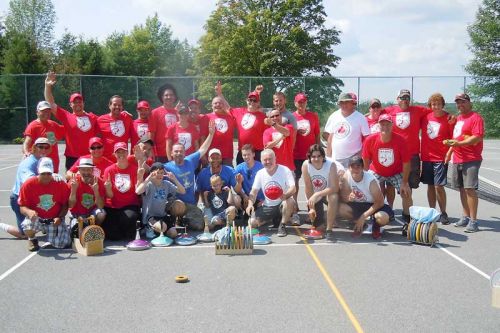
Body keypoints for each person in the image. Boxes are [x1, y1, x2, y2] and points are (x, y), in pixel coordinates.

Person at [362, 114, 412, 234]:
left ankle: (408, 219)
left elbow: (406, 163)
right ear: (378, 125)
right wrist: (364, 180)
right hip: (377, 170)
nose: (385, 126)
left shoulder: (401, 140)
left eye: (387, 124)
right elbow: (366, 160)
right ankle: (371, 218)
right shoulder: (370, 140)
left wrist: (404, 183)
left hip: (395, 171)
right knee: (368, 191)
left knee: (407, 192)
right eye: (382, 124)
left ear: (392, 125)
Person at [164, 120, 216, 231]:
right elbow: (152, 172)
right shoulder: (166, 167)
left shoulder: (190, 161)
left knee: (199, 226)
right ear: (172, 153)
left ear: (185, 152)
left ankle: (185, 220)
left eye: (181, 151)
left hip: (190, 204)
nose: (179, 153)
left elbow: (203, 149)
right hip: (176, 204)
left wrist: (211, 134)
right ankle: (176, 219)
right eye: (176, 151)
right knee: (179, 206)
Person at [444, 93, 484, 233]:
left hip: (471, 158)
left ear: (469, 102)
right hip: (458, 158)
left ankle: (474, 221)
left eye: (463, 102)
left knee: (469, 189)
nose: (460, 105)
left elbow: (476, 138)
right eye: (458, 102)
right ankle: (465, 216)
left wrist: (459, 143)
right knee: (461, 189)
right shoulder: (459, 118)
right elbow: (456, 138)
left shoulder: (476, 118)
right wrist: (450, 152)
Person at [44, 71, 100, 170]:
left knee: (89, 183)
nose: (78, 104)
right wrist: (48, 87)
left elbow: (108, 120)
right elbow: (51, 104)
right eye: (75, 102)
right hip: (72, 157)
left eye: (80, 102)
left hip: (89, 157)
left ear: (83, 103)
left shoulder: (92, 117)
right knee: (72, 183)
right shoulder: (66, 116)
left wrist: (122, 114)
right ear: (70, 105)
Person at [0, 138, 53, 239]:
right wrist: (52, 177)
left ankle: (44, 225)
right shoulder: (28, 163)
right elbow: (29, 182)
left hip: (34, 198)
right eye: (40, 146)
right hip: (20, 200)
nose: (43, 149)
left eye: (46, 147)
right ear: (34, 147)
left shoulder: (44, 161)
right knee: (24, 234)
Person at [18, 157, 71, 251]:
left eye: (49, 173)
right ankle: (32, 239)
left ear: (52, 172)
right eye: (43, 173)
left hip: (53, 220)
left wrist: (59, 217)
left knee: (63, 244)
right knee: (27, 225)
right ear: (38, 171)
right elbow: (22, 207)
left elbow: (65, 205)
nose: (46, 176)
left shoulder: (60, 184)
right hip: (38, 219)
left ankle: (63, 231)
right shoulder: (28, 184)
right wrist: (29, 212)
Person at [382, 89, 431, 189]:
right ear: (397, 99)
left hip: (412, 154)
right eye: (402, 97)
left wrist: (450, 116)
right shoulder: (389, 111)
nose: (405, 100)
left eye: (407, 98)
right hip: (395, 154)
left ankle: (408, 205)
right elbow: (374, 114)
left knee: (409, 184)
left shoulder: (418, 110)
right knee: (390, 185)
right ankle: (390, 205)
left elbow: (436, 111)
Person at [338, 156, 394, 239]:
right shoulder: (346, 176)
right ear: (349, 167)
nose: (355, 169)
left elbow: (380, 202)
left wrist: (363, 216)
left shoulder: (370, 180)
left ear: (362, 168)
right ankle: (362, 225)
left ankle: (376, 226)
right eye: (353, 166)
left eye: (358, 166)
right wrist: (348, 197)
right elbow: (343, 196)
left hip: (375, 204)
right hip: (359, 204)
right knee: (340, 208)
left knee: (382, 218)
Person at [420, 93, 454, 224]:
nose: (436, 107)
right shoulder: (425, 117)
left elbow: (453, 138)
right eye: (434, 104)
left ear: (443, 105)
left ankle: (443, 212)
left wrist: (449, 152)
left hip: (440, 157)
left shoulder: (449, 119)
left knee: (438, 186)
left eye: (439, 104)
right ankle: (432, 211)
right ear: (430, 105)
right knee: (430, 185)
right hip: (427, 157)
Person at [246, 149, 296, 237]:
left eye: (270, 159)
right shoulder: (260, 173)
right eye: (265, 160)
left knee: (290, 201)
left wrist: (285, 195)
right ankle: (273, 218)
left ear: (275, 158)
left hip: (282, 203)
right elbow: (253, 192)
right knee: (252, 223)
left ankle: (282, 225)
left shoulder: (285, 170)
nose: (268, 162)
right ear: (261, 161)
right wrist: (250, 204)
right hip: (268, 205)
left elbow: (293, 188)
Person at [136, 162, 186, 239]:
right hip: (151, 217)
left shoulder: (166, 184)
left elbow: (183, 191)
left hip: (162, 215)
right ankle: (149, 228)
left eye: (161, 173)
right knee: (162, 227)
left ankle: (161, 231)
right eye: (157, 173)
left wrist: (174, 179)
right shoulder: (149, 184)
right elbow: (138, 191)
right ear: (152, 173)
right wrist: (148, 178)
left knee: (173, 233)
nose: (159, 175)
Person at [102, 142, 140, 240]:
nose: (121, 155)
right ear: (114, 154)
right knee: (112, 236)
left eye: (123, 152)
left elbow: (138, 190)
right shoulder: (109, 170)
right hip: (112, 206)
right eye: (118, 152)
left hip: (129, 204)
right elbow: (109, 196)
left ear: (127, 153)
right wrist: (108, 188)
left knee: (129, 218)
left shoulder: (134, 169)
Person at [301, 144, 339, 240]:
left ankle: (329, 229)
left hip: (327, 193)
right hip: (313, 195)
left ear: (323, 156)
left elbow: (334, 188)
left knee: (333, 197)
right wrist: (311, 208)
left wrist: (318, 194)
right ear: (309, 157)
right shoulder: (306, 165)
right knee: (319, 228)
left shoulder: (331, 165)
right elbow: (308, 188)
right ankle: (324, 220)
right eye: (313, 156)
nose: (316, 159)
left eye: (319, 156)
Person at [324, 92, 370, 168]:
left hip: (353, 159)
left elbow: (367, 139)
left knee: (352, 179)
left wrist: (360, 154)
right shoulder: (334, 116)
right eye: (341, 102)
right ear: (338, 104)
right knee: (336, 179)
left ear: (352, 102)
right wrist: (329, 158)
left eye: (346, 102)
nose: (344, 105)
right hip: (335, 158)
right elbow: (330, 138)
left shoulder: (360, 117)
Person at [292, 92, 320, 203]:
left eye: (303, 102)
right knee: (295, 180)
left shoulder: (313, 116)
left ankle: (312, 206)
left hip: (311, 155)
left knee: (312, 182)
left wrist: (318, 150)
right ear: (295, 103)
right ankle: (294, 206)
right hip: (296, 154)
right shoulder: (291, 117)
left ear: (306, 103)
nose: (301, 104)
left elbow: (317, 134)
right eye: (299, 102)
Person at [68, 158, 106, 238]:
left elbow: (100, 206)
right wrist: (73, 190)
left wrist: (96, 191)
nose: (86, 172)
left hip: (91, 213)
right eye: (83, 170)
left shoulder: (98, 181)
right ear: (79, 170)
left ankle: (94, 229)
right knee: (77, 235)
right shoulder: (73, 181)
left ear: (92, 170)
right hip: (77, 214)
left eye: (88, 170)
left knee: (101, 213)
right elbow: (70, 205)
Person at [23, 101, 65, 173]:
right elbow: (26, 143)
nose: (46, 113)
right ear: (37, 112)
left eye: (48, 111)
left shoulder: (53, 124)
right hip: (39, 165)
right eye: (43, 111)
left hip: (53, 165)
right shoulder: (33, 126)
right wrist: (26, 153)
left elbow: (67, 131)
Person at [229, 88, 268, 164]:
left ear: (258, 103)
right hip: (242, 151)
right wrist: (220, 94)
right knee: (241, 173)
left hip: (257, 152)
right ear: (247, 100)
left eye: (255, 100)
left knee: (257, 174)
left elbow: (269, 133)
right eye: (250, 100)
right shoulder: (239, 111)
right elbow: (227, 108)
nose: (252, 102)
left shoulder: (263, 117)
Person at [97, 95, 133, 161]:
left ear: (122, 107)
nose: (117, 107)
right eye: (115, 104)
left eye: (119, 105)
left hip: (122, 159)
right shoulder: (100, 120)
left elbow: (133, 136)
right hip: (106, 159)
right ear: (109, 106)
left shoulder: (127, 118)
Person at [149, 83, 179, 162]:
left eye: (171, 95)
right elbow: (151, 135)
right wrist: (151, 152)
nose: (169, 97)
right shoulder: (155, 112)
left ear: (175, 97)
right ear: (162, 97)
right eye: (166, 95)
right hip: (160, 154)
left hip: (177, 153)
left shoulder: (178, 113)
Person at [207, 87, 236, 166]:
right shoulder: (206, 117)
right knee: (212, 177)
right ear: (211, 106)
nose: (218, 105)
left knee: (227, 176)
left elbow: (229, 109)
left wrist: (220, 94)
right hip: (212, 154)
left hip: (227, 155)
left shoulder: (230, 117)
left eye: (220, 103)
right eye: (215, 103)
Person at [234, 144, 264, 210]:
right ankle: (240, 213)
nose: (246, 157)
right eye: (244, 155)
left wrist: (265, 200)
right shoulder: (238, 168)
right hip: (246, 198)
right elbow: (235, 188)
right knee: (236, 199)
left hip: (260, 198)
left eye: (248, 154)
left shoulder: (261, 167)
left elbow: (267, 184)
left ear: (253, 154)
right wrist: (243, 195)